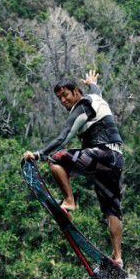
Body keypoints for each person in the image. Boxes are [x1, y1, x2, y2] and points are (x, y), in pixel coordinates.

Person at [22, 69, 125, 268]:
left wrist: (38, 154)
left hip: (101, 154)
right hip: (115, 160)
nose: (63, 101)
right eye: (59, 98)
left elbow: (63, 138)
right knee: (111, 210)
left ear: (76, 92)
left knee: (56, 159)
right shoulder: (95, 97)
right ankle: (118, 258)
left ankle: (69, 201)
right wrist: (92, 82)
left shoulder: (82, 106)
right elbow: (97, 90)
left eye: (65, 95)